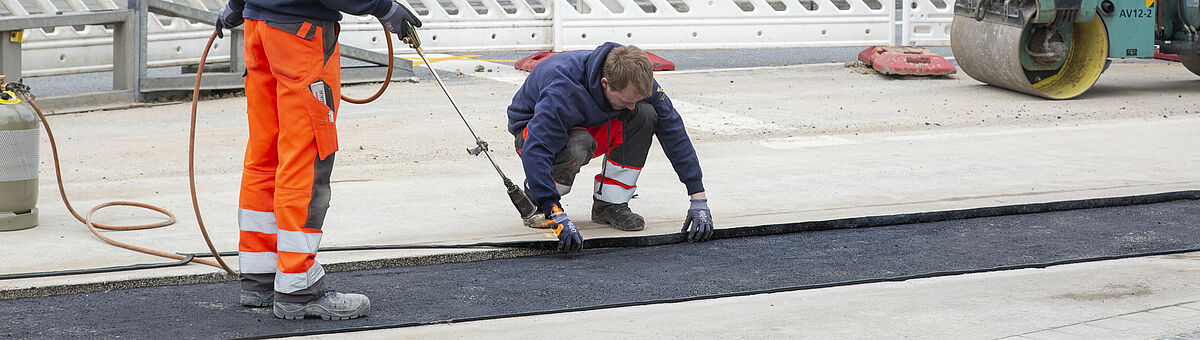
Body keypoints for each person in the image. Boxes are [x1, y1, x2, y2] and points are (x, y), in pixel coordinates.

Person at [213, 0, 421, 320]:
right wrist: (383, 8)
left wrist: (237, 5)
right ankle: (298, 286)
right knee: (305, 158)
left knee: (264, 156)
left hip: (260, 29)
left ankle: (261, 277)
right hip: (299, 35)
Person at [507, 42, 715, 252]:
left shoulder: (634, 77)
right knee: (578, 144)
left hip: (592, 122)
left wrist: (698, 196)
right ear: (605, 83)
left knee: (645, 114)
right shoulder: (563, 91)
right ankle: (537, 195)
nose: (631, 105)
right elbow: (536, 149)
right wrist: (554, 211)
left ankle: (609, 204)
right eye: (626, 100)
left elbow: (673, 128)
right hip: (532, 135)